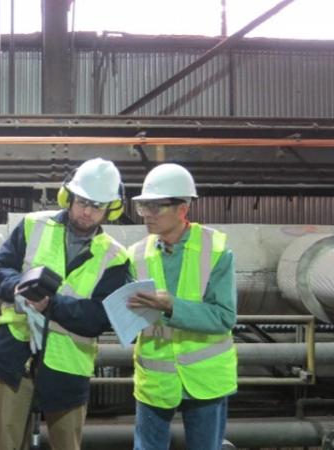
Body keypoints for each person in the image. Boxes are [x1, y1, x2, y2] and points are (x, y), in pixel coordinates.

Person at [0, 157, 132, 450]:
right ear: (69, 197)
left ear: (110, 209)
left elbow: (99, 318)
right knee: (7, 443)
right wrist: (19, 286)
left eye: (97, 206)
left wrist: (51, 305)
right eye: (82, 202)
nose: (87, 212)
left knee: (66, 445)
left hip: (67, 366)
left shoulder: (115, 257)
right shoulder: (32, 226)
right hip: (16, 355)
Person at [126, 163, 238, 450]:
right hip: (156, 378)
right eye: (143, 207)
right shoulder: (136, 255)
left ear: (182, 208)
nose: (147, 215)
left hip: (205, 380)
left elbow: (224, 317)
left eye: (156, 207)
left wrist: (172, 307)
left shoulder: (216, 251)